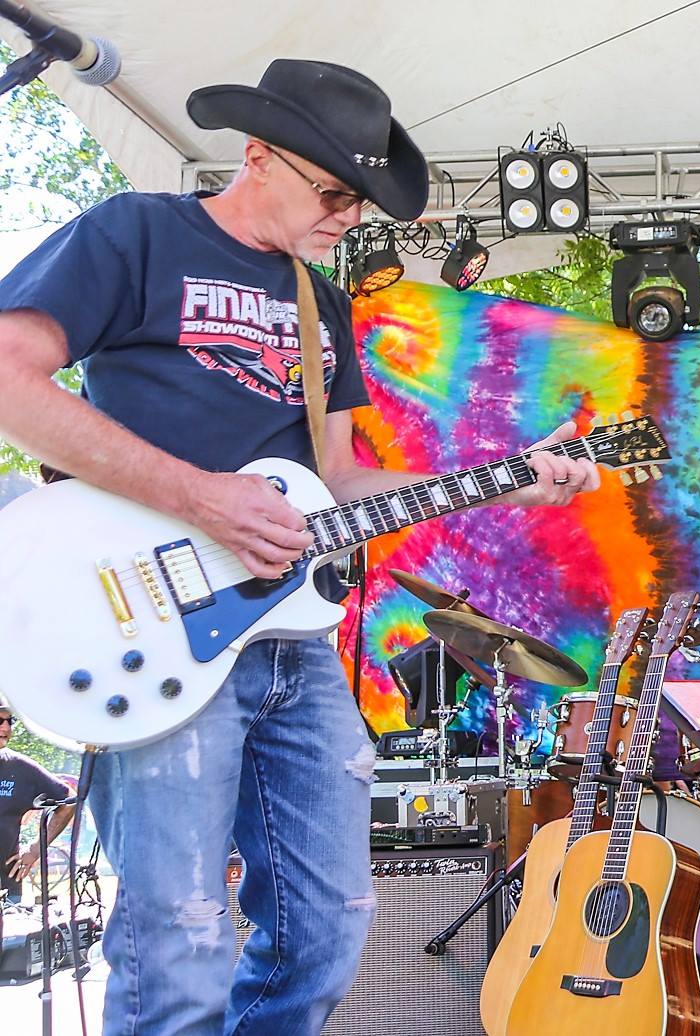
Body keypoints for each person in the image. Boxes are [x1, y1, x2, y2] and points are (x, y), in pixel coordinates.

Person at [0, 60, 599, 1035]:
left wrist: (511, 473)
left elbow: (339, 481)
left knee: (328, 925)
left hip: (293, 645)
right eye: (330, 192)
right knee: (179, 939)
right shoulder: (137, 233)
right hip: (151, 625)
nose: (344, 217)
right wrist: (200, 497)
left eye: (357, 203)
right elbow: (8, 373)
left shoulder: (321, 299)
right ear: (257, 156)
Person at [0, 698, 75, 905]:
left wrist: (35, 849)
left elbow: (68, 801)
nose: (6, 727)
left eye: (10, 721)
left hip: (6, 892)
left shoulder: (19, 767)